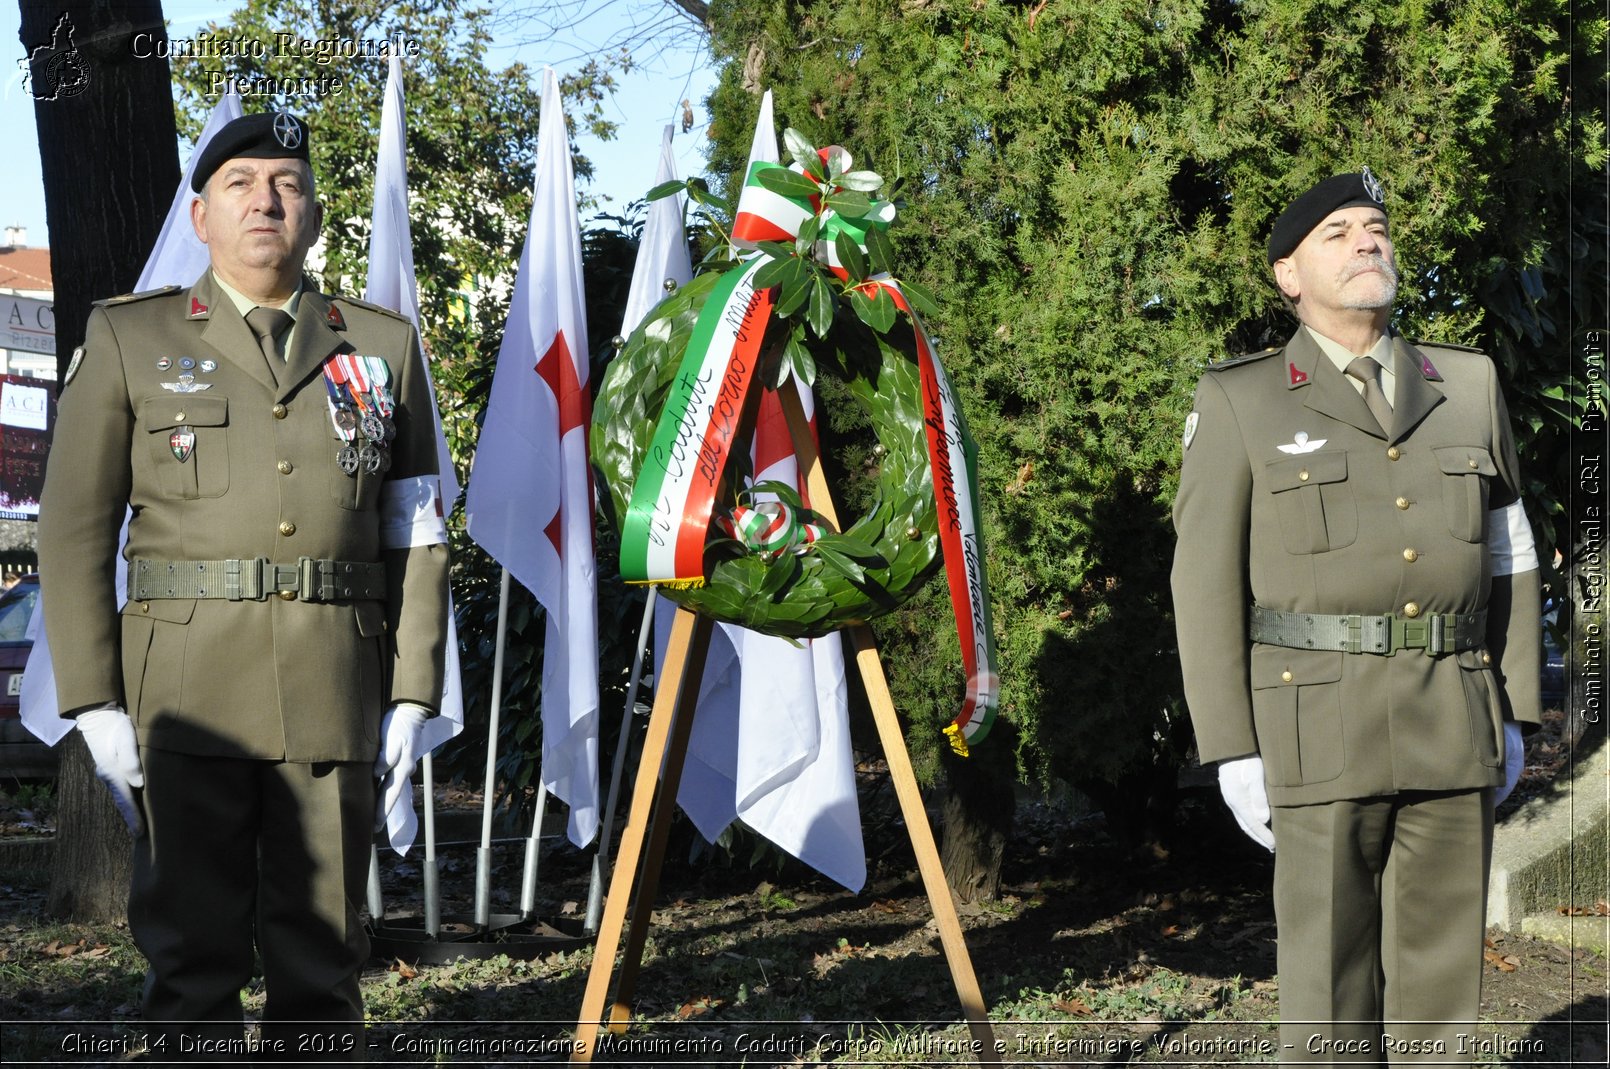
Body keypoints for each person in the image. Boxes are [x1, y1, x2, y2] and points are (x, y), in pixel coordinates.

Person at [38, 111, 449, 1057]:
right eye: (240, 185)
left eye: (287, 184)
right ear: (200, 216)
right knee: (192, 961)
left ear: (311, 213)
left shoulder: (379, 348)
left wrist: (413, 692)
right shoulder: (131, 339)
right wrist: (94, 698)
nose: (266, 201)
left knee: (325, 962)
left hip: (332, 688)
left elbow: (416, 528)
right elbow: (74, 529)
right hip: (186, 696)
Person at [1171, 170, 1541, 1063]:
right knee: (1328, 985)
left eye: (1376, 226)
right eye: (1336, 232)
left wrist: (1517, 706)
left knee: (1443, 989)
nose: (1367, 241)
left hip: (1453, 715)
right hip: (1313, 725)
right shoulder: (1243, 398)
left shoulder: (1468, 381)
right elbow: (1203, 579)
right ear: (1287, 276)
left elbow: (1511, 553)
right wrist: (1232, 747)